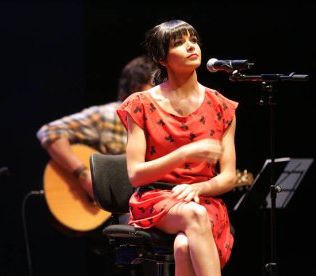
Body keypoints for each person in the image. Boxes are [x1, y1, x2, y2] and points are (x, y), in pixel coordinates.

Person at [117, 19, 239, 276]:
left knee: (184, 245)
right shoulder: (139, 104)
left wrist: (199, 187)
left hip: (204, 201)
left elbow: (228, 176)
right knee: (194, 216)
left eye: (193, 40)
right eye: (179, 43)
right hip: (155, 199)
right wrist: (183, 153)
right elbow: (136, 174)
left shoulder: (222, 106)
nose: (191, 47)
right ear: (162, 58)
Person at [36, 55, 157, 276]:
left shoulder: (160, 124)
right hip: (115, 211)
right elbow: (49, 132)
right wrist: (84, 176)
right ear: (138, 86)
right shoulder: (107, 116)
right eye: (155, 84)